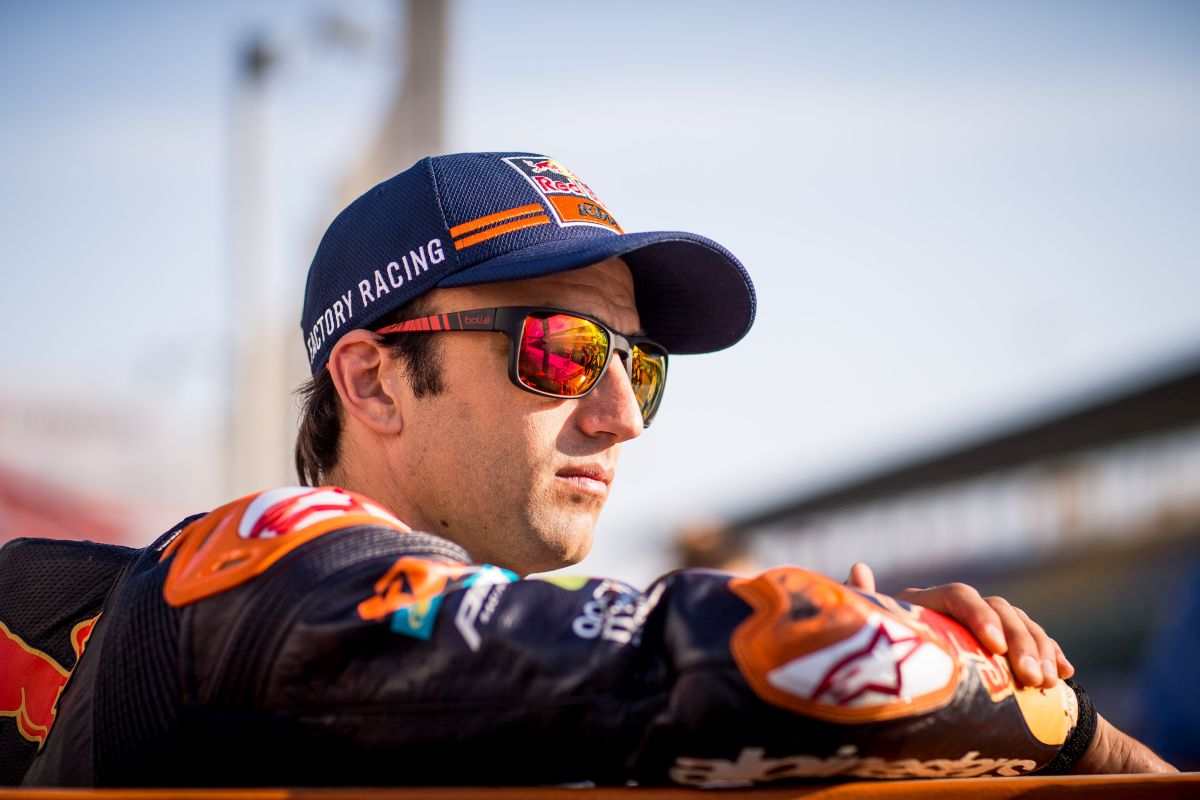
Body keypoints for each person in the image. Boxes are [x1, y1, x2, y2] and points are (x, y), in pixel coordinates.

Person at [0, 152, 1174, 787]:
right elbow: (778, 662)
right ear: (372, 382)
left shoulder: (438, 678)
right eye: (559, 350)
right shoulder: (257, 576)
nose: (620, 416)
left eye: (639, 366)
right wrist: (1078, 736)